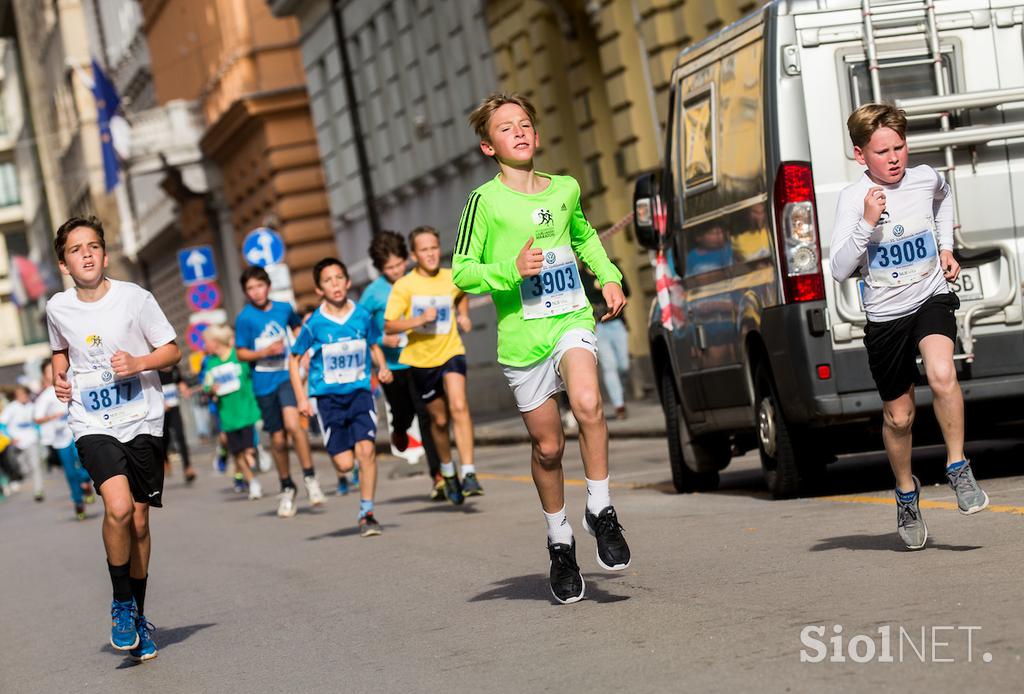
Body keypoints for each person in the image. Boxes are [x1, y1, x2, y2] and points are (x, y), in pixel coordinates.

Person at [453, 93, 631, 604]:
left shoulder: (565, 189)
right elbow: (462, 271)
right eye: (507, 129)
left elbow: (583, 236)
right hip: (522, 337)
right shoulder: (483, 203)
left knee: (589, 403)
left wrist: (609, 276)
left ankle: (600, 509)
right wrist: (512, 269)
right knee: (548, 448)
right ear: (489, 146)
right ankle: (560, 540)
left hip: (570, 317)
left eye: (525, 123)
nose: (520, 133)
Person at [831, 103, 989, 551]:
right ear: (861, 156)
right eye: (883, 152)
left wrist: (945, 246)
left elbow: (943, 196)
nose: (895, 158)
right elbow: (840, 269)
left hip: (929, 295)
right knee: (899, 417)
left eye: (899, 147)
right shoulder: (852, 198)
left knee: (943, 375)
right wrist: (865, 222)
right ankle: (905, 492)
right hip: (885, 316)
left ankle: (958, 466)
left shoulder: (924, 177)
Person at [46, 216, 180, 661]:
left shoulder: (135, 299)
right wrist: (59, 376)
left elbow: (172, 350)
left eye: (93, 246)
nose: (85, 254)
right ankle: (122, 604)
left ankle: (139, 615)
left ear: (104, 254)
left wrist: (139, 363)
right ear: (64, 263)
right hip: (92, 421)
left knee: (140, 522)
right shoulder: (57, 308)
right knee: (119, 507)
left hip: (141, 418)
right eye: (75, 249)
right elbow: (60, 351)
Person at [289, 258, 391, 537]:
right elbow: (294, 358)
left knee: (367, 451)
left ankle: (367, 512)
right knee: (345, 464)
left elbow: (373, 344)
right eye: (327, 280)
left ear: (347, 282)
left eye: (338, 278)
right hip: (328, 399)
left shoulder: (362, 316)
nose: (335, 284)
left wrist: (381, 367)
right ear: (319, 289)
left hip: (360, 393)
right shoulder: (315, 324)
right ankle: (348, 474)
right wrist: (301, 398)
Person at [385, 226, 482, 505]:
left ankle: (470, 472)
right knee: (439, 421)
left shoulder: (452, 276)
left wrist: (462, 316)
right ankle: (448, 471)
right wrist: (417, 320)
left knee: (459, 406)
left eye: (434, 248)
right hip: (421, 360)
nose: (430, 254)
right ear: (414, 254)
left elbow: (462, 293)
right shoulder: (405, 285)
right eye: (424, 250)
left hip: (451, 351)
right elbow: (389, 324)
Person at [360, 230, 444, 500]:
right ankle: (398, 427)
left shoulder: (415, 280)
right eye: (389, 267)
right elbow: (360, 327)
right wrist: (382, 338)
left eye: (399, 264)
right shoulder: (372, 294)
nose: (396, 271)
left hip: (421, 358)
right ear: (380, 269)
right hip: (393, 367)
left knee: (427, 415)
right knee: (404, 413)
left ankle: (438, 476)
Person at [235, 266, 324, 517]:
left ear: (268, 286)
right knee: (277, 439)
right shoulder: (245, 318)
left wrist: (303, 352)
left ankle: (310, 478)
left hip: (286, 375)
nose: (256, 292)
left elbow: (298, 329)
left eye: (259, 286)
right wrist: (264, 352)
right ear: (246, 292)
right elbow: (241, 352)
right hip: (263, 382)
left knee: (294, 425)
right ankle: (287, 486)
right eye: (250, 288)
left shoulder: (283, 308)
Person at [202, 324, 263, 500]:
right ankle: (253, 483)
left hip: (246, 411)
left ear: (215, 342)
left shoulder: (238, 356)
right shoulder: (211, 364)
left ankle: (254, 458)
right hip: (227, 415)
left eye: (206, 342)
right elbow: (207, 385)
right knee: (237, 454)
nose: (204, 346)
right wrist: (211, 389)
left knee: (249, 451)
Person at [35, 359, 95, 519]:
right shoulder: (46, 396)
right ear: (44, 376)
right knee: (69, 472)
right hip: (60, 439)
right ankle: (78, 502)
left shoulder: (72, 384)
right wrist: (53, 416)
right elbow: (37, 418)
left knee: (83, 460)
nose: (52, 373)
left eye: (53, 370)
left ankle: (85, 482)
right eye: (48, 372)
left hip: (77, 432)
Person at [583, 268, 632, 419]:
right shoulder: (581, 276)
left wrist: (606, 285)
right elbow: (582, 297)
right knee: (609, 366)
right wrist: (596, 288)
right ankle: (619, 405)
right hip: (599, 326)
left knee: (624, 365)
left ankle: (620, 395)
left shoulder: (609, 267)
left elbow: (627, 290)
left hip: (617, 324)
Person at [0, 385, 43, 501]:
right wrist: (10, 438)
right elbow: (2, 425)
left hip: (32, 440)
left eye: (25, 394)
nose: (24, 397)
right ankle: (19, 478)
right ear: (16, 396)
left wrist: (39, 433)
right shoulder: (11, 408)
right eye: (21, 395)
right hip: (17, 443)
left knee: (36, 466)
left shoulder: (32, 406)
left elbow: (37, 421)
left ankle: (38, 490)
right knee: (23, 468)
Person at [158, 365, 195, 484]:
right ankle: (165, 460)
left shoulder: (174, 369)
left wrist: (184, 388)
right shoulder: (154, 370)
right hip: (162, 410)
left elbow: (180, 381)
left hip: (174, 408)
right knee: (164, 439)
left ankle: (187, 467)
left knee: (180, 435)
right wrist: (160, 401)